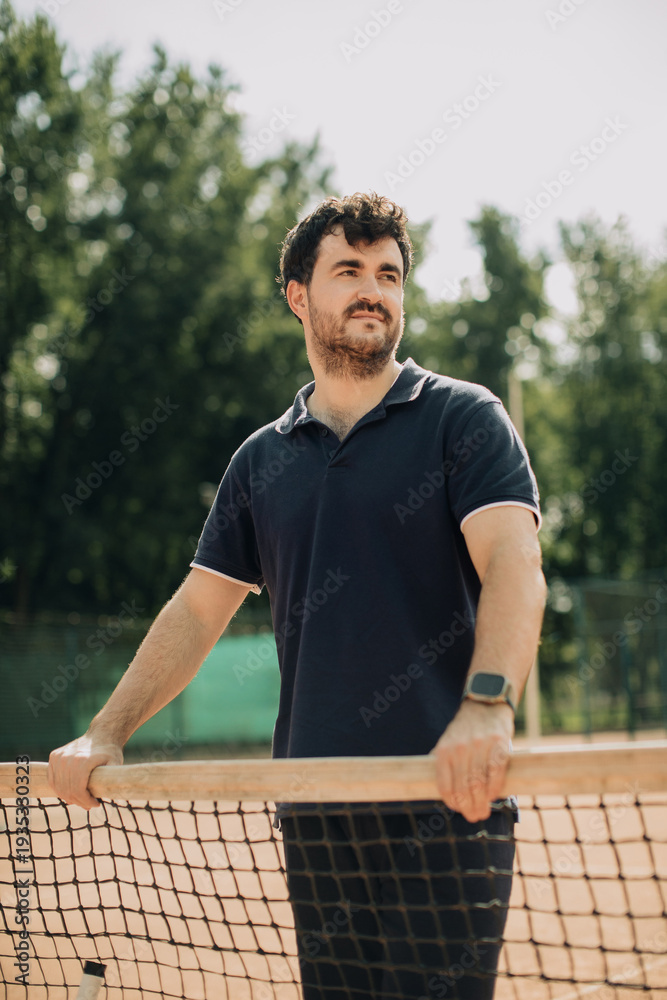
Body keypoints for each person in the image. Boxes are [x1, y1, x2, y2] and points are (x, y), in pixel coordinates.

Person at [48, 192, 546, 999]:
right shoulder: (258, 462)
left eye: (388, 273)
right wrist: (104, 733)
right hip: (313, 809)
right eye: (347, 269)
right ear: (297, 295)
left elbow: (515, 567)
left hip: (448, 797)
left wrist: (487, 706)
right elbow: (197, 609)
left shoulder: (465, 419)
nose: (372, 289)